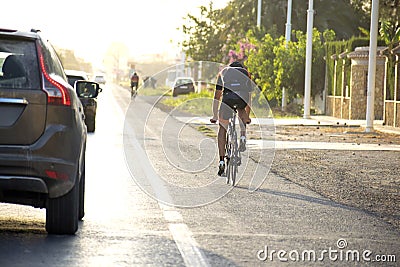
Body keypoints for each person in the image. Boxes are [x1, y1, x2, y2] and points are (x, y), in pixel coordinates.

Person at [210, 61, 252, 176]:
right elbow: (249, 98)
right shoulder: (245, 73)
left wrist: (214, 115)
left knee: (222, 127)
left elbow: (217, 96)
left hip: (227, 100)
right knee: (241, 110)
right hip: (241, 99)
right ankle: (243, 136)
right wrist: (247, 117)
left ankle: (222, 160)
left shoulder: (223, 73)